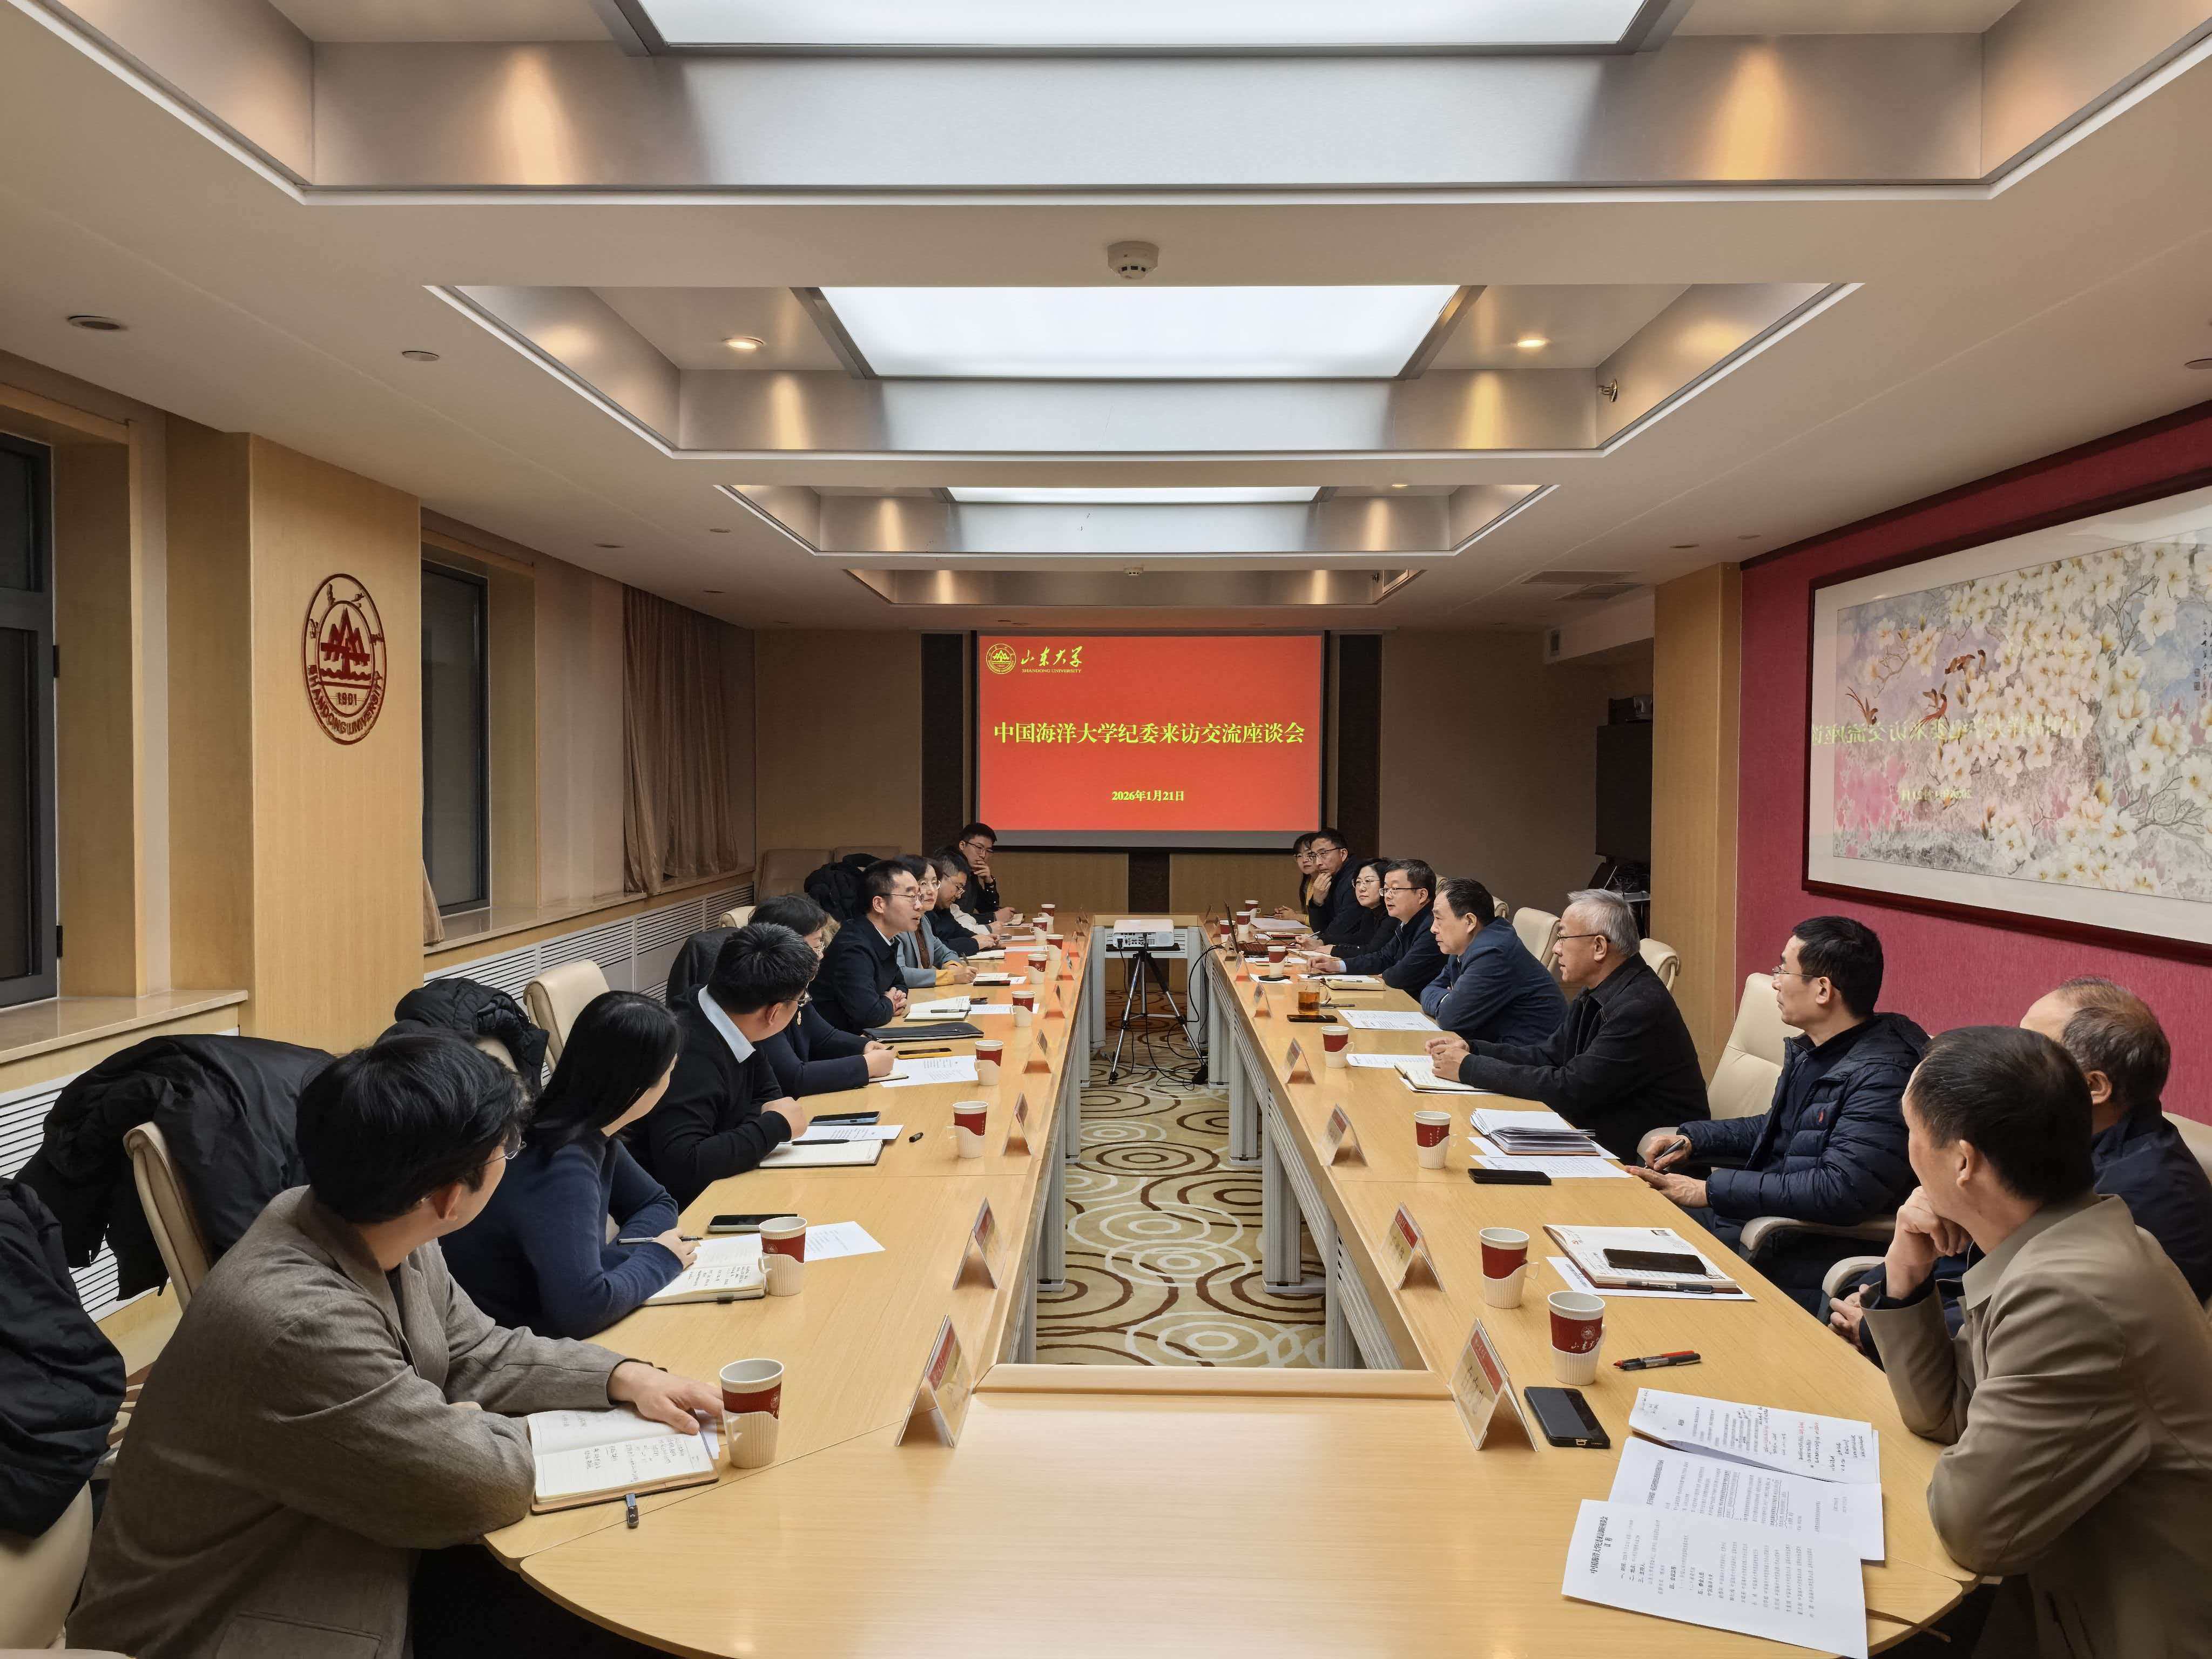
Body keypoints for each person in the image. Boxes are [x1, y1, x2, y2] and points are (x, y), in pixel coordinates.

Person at [69, 1033, 719, 1659]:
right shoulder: (300, 1323)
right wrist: (460, 1430)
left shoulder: (372, 1222)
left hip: (351, 1544)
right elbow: (481, 1485)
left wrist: (621, 1377)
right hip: (241, 1617)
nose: (512, 1159)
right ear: (448, 1196)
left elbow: (475, 1351)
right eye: (506, 1151)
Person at [1857, 1026, 2212, 1659]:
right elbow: (1947, 1413)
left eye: (1910, 1130)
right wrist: (1905, 1274)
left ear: (1962, 1162)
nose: (1905, 1149)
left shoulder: (2065, 1293)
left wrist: (1965, 1456)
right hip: (2058, 1591)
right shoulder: (2060, 1240)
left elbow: (1975, 1531)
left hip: (2113, 1628)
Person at [1831, 976, 2212, 1351]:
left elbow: (2036, 1326)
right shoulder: (2033, 1140)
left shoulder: (2154, 1196)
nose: (2006, 1055)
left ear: (2094, 1087)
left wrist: (1878, 1326)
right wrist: (1880, 1292)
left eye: (2033, 1048)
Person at [1631, 918, 1924, 1309]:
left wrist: (1708, 1190)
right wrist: (1694, 1139)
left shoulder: (1884, 1077)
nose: (1775, 982)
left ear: (1823, 990)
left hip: (1793, 1249)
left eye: (1784, 970)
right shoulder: (1820, 1050)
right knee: (1624, 1227)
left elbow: (1839, 1189)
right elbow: (1780, 1129)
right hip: (1753, 1223)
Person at [441, 992, 693, 1338]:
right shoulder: (562, 1164)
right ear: (639, 1084)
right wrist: (659, 1259)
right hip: (513, 1345)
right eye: (670, 1072)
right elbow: (584, 1311)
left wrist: (610, 1264)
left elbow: (657, 1203)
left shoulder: (578, 1125)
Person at [1426, 889, 1706, 1158]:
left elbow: (1570, 1090)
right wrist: (1473, 1049)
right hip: (1596, 1133)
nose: (1556, 949)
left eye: (1563, 937)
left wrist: (1469, 1068)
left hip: (1644, 1158)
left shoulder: (1639, 1007)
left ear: (1599, 947)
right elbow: (1549, 1055)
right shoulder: (1598, 989)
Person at [630, 924, 812, 1205]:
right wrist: (773, 1126)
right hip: (682, 1209)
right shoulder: (685, 1052)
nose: (801, 1006)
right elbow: (685, 1165)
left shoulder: (726, 1013)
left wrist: (738, 1137)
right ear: (774, 1012)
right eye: (801, 1000)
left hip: (725, 1183)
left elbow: (769, 1097)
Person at [747, 893, 899, 1096]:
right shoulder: (758, 998)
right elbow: (794, 1078)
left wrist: (866, 1046)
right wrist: (865, 1066)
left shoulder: (795, 985)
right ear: (786, 946)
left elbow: (824, 1037)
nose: (821, 955)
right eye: (816, 946)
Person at [1419, 875, 1566, 1049]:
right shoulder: (1465, 943)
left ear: (1469, 922)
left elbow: (1449, 1017)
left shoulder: (1493, 952)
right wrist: (1449, 999)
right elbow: (1428, 991)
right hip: (1492, 1045)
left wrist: (1450, 1002)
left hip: (1524, 1054)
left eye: (1439, 919)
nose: (1433, 928)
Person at [811, 860, 917, 1034]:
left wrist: (894, 998)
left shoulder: (879, 937)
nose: (919, 906)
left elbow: (899, 982)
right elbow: (869, 1015)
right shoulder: (853, 947)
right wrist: (889, 1004)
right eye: (911, 897)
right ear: (879, 904)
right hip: (838, 1043)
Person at [1311, 859, 1445, 994]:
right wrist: (1336, 965)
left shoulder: (1433, 928)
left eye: (1395, 889)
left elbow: (1401, 976)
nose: (1387, 896)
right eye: (1386, 889)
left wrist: (1386, 974)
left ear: (1422, 895)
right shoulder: (1406, 920)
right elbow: (1383, 957)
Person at [891, 854, 976, 987]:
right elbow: (900, 973)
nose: (932, 891)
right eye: (923, 883)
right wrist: (950, 976)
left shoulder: (923, 920)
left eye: (935, 883)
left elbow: (946, 953)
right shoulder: (896, 924)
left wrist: (953, 967)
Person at [1316, 857, 1396, 955]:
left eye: (1368, 881)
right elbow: (1359, 939)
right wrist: (1321, 941)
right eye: (1358, 882)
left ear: (1385, 884)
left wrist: (1335, 950)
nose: (1361, 888)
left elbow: (1374, 950)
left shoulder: (1393, 914)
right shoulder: (1370, 911)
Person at [949, 821, 1014, 927]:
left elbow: (988, 910)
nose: (983, 855)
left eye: (988, 851)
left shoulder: (971, 873)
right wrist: (993, 917)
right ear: (962, 845)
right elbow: (953, 918)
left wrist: (989, 882)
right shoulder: (950, 870)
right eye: (979, 848)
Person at [1301, 828, 1358, 940]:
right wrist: (1317, 900)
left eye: (1323, 854)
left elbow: (1338, 932)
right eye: (1314, 856)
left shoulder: (1357, 879)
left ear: (1343, 854)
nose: (1318, 863)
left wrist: (1321, 942)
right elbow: (1319, 930)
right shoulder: (1332, 876)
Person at [927, 854, 984, 957]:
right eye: (958, 887)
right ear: (940, 878)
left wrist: (982, 939)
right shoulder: (922, 910)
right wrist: (974, 943)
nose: (959, 896)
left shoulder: (942, 907)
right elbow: (933, 949)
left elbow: (956, 930)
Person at [1273, 833, 1318, 921]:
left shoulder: (1329, 881)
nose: (1304, 860)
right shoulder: (1308, 881)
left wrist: (1295, 917)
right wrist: (1289, 914)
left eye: (1310, 854)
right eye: (1300, 856)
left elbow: (1325, 920)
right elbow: (1311, 914)